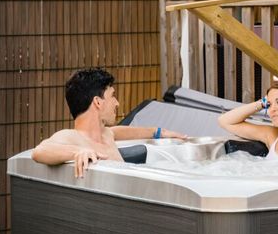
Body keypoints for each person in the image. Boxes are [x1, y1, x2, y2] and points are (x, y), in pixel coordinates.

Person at [32, 67, 186, 177]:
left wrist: (158, 132)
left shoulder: (106, 134)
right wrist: (77, 152)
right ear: (98, 102)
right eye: (112, 96)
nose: (117, 103)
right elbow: (39, 151)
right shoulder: (73, 137)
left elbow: (119, 131)